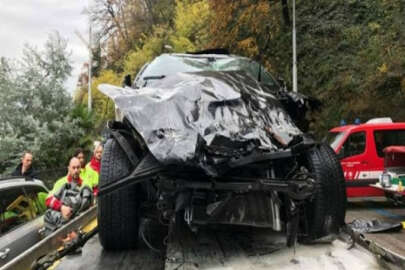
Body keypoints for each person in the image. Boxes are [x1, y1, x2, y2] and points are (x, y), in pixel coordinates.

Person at [44, 157, 92, 233]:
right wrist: (61, 207)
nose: (76, 170)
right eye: (73, 168)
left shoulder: (86, 183)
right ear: (69, 168)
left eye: (78, 167)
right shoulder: (60, 182)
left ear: (80, 169)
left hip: (82, 225)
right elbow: (48, 200)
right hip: (64, 226)